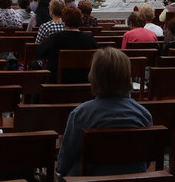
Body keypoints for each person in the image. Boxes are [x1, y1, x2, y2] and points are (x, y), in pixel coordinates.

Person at [56, 48, 153, 178]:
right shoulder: (143, 114)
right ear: (127, 76)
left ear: (93, 77)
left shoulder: (80, 114)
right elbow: (145, 162)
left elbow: (64, 163)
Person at [39, 6, 99, 82]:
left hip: (58, 82)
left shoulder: (55, 38)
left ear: (63, 21)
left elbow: (41, 52)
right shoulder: (90, 39)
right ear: (80, 21)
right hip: (83, 82)